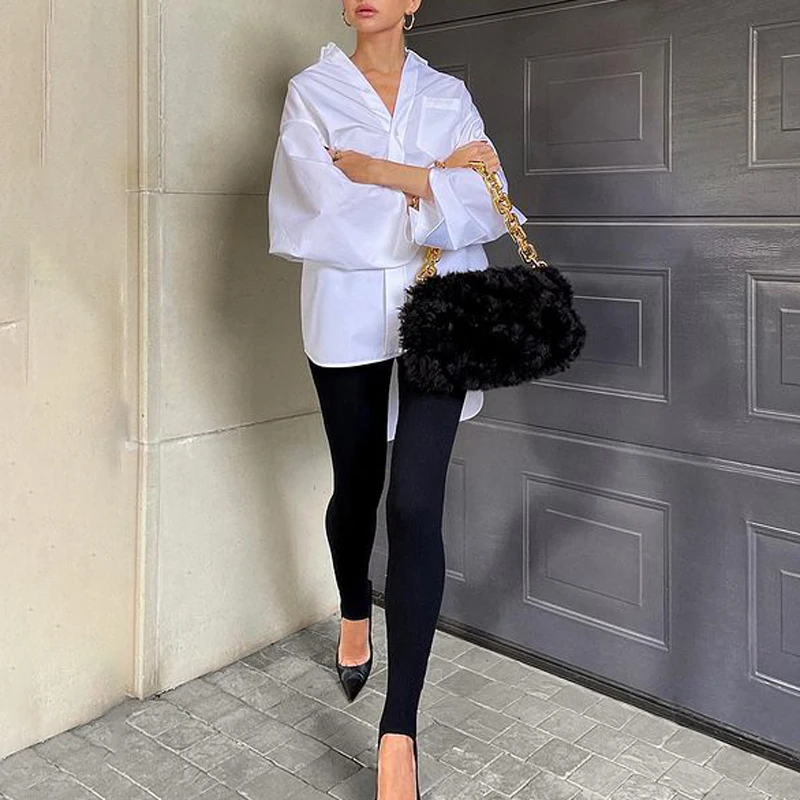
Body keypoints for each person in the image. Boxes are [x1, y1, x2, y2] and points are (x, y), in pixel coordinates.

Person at [267, 2, 527, 798]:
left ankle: (399, 730)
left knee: (415, 504)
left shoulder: (448, 94)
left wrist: (384, 173)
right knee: (359, 488)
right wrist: (437, 184)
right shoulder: (312, 92)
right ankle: (355, 607)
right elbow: (313, 214)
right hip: (345, 316)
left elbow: (491, 205)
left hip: (441, 310)